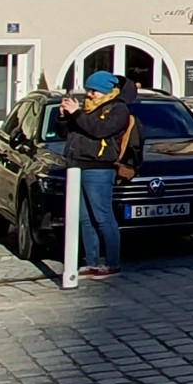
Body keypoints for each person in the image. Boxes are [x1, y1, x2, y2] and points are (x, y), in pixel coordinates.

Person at [58, 69, 133, 277]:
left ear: (108, 91)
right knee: (84, 218)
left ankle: (112, 262)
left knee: (102, 216)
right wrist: (64, 117)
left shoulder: (118, 109)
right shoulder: (85, 109)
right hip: (76, 165)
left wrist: (77, 114)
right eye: (89, 90)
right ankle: (91, 261)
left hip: (99, 168)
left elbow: (99, 130)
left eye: (95, 91)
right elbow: (66, 133)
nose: (90, 95)